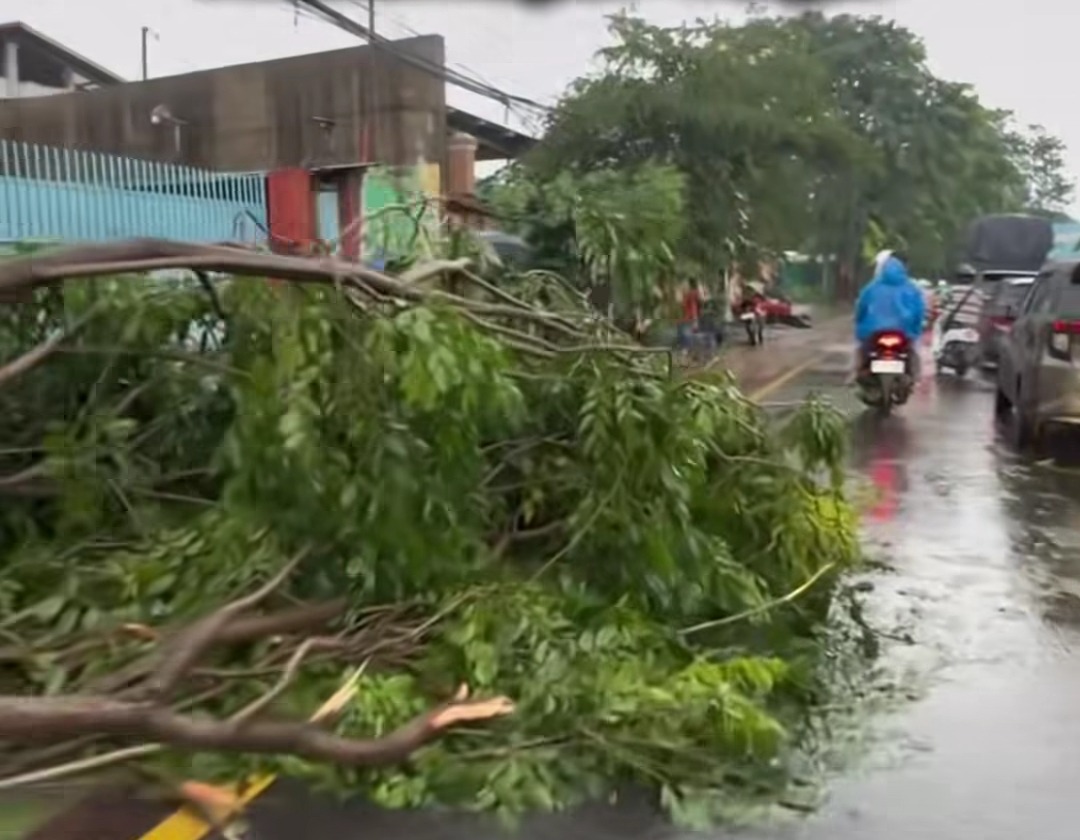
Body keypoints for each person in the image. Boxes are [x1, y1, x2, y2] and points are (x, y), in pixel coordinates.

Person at [852, 251, 926, 382]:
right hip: (903, 333)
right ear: (904, 268)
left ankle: (857, 374)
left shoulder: (872, 287)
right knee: (913, 353)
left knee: (861, 352)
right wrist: (916, 330)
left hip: (873, 332)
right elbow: (919, 313)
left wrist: (859, 323)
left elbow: (860, 308)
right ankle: (914, 377)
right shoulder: (912, 289)